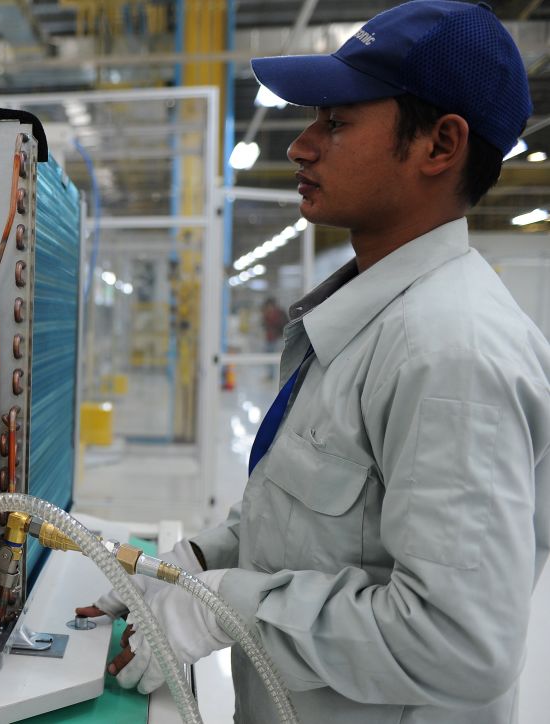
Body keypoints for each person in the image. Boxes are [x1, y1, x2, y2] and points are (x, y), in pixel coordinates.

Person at [78, 2, 549, 722]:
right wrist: (195, 564)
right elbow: (314, 526)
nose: (301, 145)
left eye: (336, 122)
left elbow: (459, 643)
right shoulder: (368, 320)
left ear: (439, 145)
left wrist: (222, 610)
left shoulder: (451, 352)